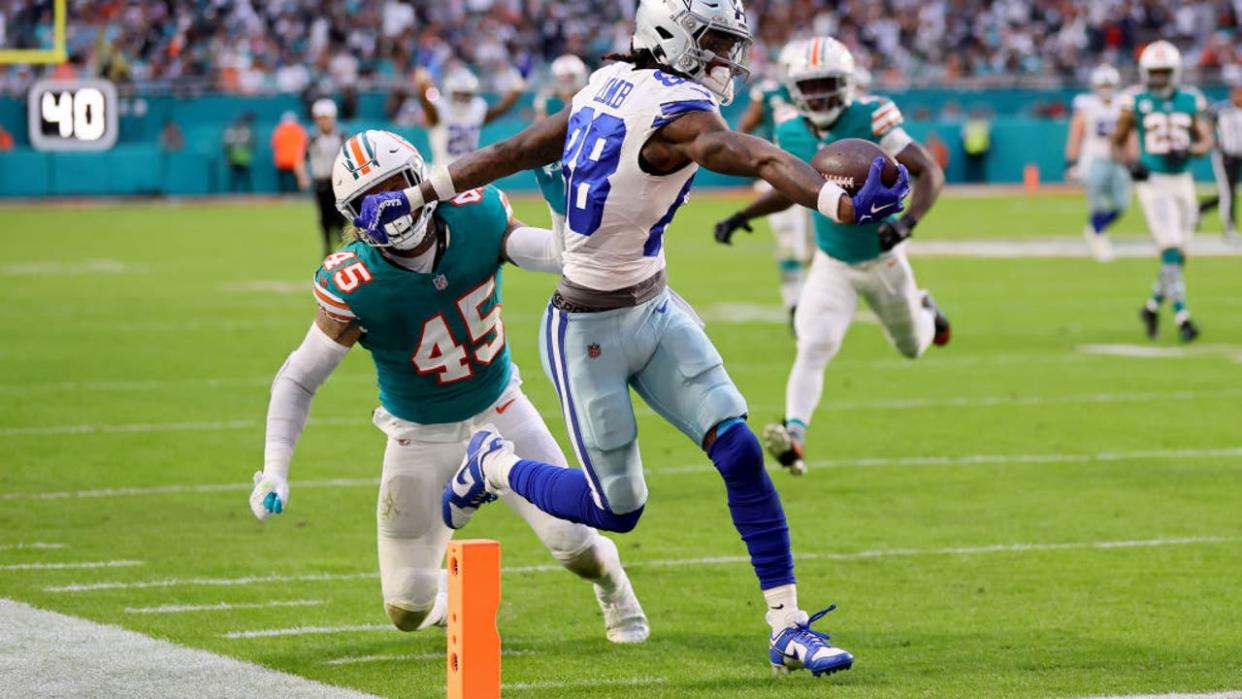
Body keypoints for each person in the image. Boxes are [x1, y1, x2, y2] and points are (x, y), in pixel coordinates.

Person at [354, 0, 909, 677]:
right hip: (586, 326)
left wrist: (424, 192)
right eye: (712, 42)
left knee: (737, 449)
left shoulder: (604, 81)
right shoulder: (678, 112)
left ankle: (787, 624)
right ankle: (492, 466)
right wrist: (836, 200)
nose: (724, 59)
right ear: (671, 35)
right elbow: (754, 154)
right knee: (618, 509)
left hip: (654, 305)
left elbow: (513, 151)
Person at [248, 129, 648, 643]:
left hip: (500, 410)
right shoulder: (356, 282)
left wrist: (560, 206)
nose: (388, 205)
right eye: (370, 199)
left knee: (576, 545)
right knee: (407, 607)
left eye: (395, 186)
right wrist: (275, 469)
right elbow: (300, 378)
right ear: (351, 214)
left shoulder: (476, 215)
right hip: (418, 435)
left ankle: (615, 588)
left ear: (421, 179)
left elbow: (558, 255)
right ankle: (458, 603)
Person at [714, 37, 949, 477]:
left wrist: (907, 223)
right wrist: (742, 214)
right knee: (813, 342)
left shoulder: (872, 117)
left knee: (913, 347)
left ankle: (926, 310)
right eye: (811, 85)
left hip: (883, 260)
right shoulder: (789, 130)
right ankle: (795, 434)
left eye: (828, 84)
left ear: (847, 84)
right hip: (832, 262)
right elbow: (792, 192)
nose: (819, 94)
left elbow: (929, 171)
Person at [1111, 40, 1212, 342]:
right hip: (1153, 182)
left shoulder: (1191, 100)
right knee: (1169, 248)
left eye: (1164, 72)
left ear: (1175, 72)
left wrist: (1190, 150)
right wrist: (1130, 165)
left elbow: (1206, 141)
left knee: (1179, 254)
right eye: (1154, 73)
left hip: (1182, 181)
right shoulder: (1136, 102)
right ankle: (1184, 318)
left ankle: (1151, 307)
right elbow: (1116, 141)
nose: (1158, 79)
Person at [733, 40, 812, 326]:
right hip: (775, 177)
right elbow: (746, 126)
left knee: (814, 248)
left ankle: (812, 300)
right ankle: (794, 304)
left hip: (812, 175)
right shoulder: (768, 92)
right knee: (790, 243)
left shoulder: (814, 93)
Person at [1065, 65, 1131, 262]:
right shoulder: (1087, 105)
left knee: (1122, 204)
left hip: (1117, 159)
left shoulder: (1123, 104)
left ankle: (1095, 229)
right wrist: (1071, 162)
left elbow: (1129, 135)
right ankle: (1098, 236)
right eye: (1102, 84)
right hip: (1094, 157)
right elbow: (1076, 135)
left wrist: (1132, 159)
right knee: (1097, 203)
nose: (1106, 88)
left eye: (1108, 84)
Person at [531, 54, 589, 238]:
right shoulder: (548, 101)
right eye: (562, 77)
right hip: (560, 162)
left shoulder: (590, 96)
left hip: (585, 160)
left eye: (569, 77)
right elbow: (539, 131)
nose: (565, 82)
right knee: (561, 217)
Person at [417, 66, 523, 165]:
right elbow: (426, 104)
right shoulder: (440, 108)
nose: (462, 99)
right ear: (449, 92)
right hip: (443, 170)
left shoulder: (477, 107)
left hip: (468, 170)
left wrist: (516, 90)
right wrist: (422, 86)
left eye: (466, 94)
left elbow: (500, 109)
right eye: (458, 94)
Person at [1197, 83, 1242, 243]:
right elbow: (1205, 128)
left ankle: (1200, 209)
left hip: (1240, 155)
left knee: (1229, 192)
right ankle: (1230, 228)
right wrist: (1207, 142)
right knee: (1228, 192)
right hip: (1226, 155)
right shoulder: (1221, 109)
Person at [306, 99, 348, 254]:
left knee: (341, 216)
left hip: (339, 182)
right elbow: (302, 157)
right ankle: (327, 248)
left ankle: (343, 245)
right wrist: (302, 175)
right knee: (324, 217)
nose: (324, 122)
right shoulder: (313, 138)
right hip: (321, 182)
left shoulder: (341, 136)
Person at [272, 111, 309, 194]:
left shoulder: (279, 130)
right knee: (295, 185)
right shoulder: (299, 129)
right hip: (295, 161)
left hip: (282, 161)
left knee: (284, 185)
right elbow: (304, 145)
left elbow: (274, 144)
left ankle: (283, 197)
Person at [223, 113, 255, 193]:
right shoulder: (230, 132)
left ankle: (249, 197)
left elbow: (251, 144)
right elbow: (227, 147)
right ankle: (232, 197)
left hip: (244, 159)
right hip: (234, 159)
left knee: (246, 181)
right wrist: (228, 158)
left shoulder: (246, 132)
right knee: (233, 181)